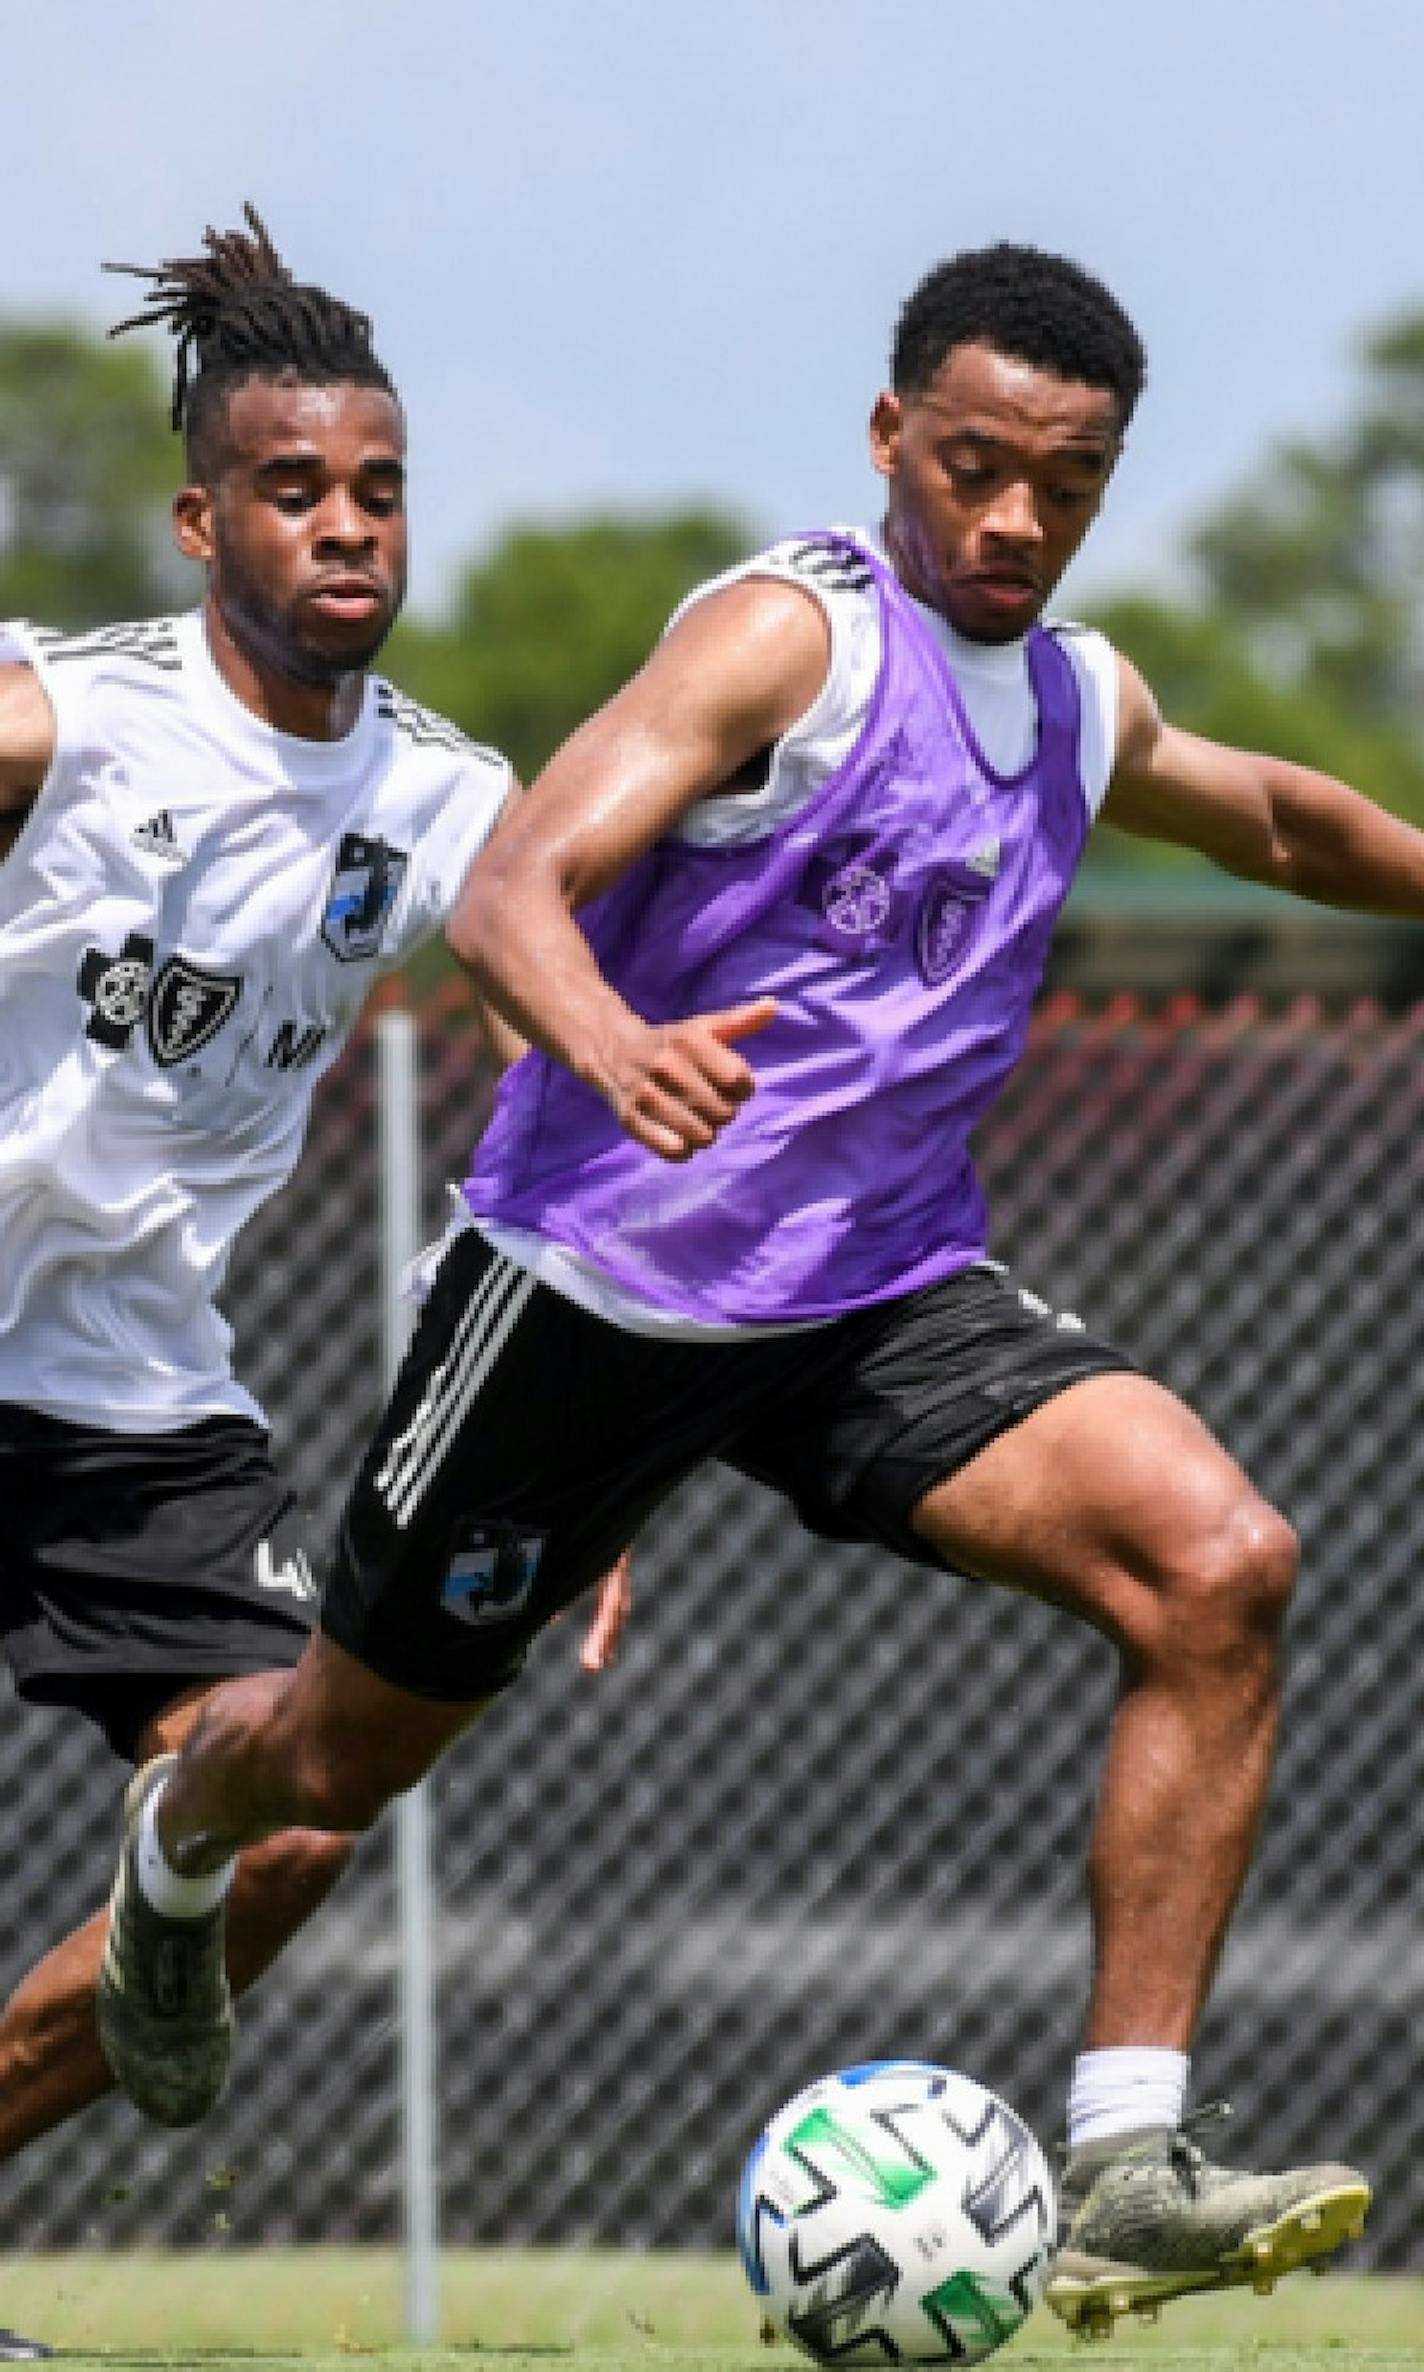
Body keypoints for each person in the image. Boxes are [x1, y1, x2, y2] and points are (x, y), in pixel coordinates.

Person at [97, 241, 1412, 2337]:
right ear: (891, 436)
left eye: (1059, 487)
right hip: (590, 1292)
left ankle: (1126, 2160)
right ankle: (181, 1835)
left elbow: (1267, 813)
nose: (1007, 521)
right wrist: (612, 1048)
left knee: (1218, 1559)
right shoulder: (781, 639)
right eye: (970, 466)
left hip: (872, 1301)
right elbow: (520, 874)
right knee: (333, 1772)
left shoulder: (1080, 699)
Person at [0, 206, 625, 2360]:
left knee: (310, 1798)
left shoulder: (445, 794)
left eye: (377, 488)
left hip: (128, 1405)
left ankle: (168, 1880)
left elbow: (570, 1023)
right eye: (293, 487)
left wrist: (591, 1437)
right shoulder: (65, 722)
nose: (347, 526)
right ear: (200, 517)